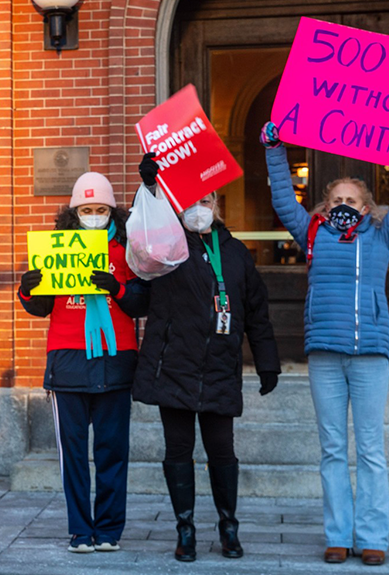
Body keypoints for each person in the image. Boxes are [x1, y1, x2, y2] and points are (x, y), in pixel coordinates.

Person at [260, 121, 389, 566]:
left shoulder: (382, 235)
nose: (343, 206)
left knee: (370, 450)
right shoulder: (312, 234)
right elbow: (283, 199)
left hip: (370, 357)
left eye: (351, 201)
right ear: (325, 206)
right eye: (336, 201)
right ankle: (337, 536)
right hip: (325, 356)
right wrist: (274, 148)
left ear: (366, 207)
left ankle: (372, 538)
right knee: (332, 450)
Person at [130, 156, 281, 563]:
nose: (199, 207)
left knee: (222, 451)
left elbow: (256, 311)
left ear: (216, 205)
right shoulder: (165, 248)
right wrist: (151, 188)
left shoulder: (236, 254)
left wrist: (267, 362)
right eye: (191, 201)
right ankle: (185, 529)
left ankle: (228, 526)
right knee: (178, 450)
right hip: (173, 365)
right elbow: (140, 240)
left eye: (206, 200)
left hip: (219, 368)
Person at [18, 172, 148, 554]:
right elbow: (40, 307)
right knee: (73, 455)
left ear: (112, 212)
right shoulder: (56, 248)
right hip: (68, 360)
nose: (94, 215)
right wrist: (28, 288)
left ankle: (108, 530)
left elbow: (142, 303)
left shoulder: (128, 248)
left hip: (115, 358)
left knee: (112, 451)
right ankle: (80, 530)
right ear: (74, 213)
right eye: (87, 209)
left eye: (101, 209)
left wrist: (116, 288)